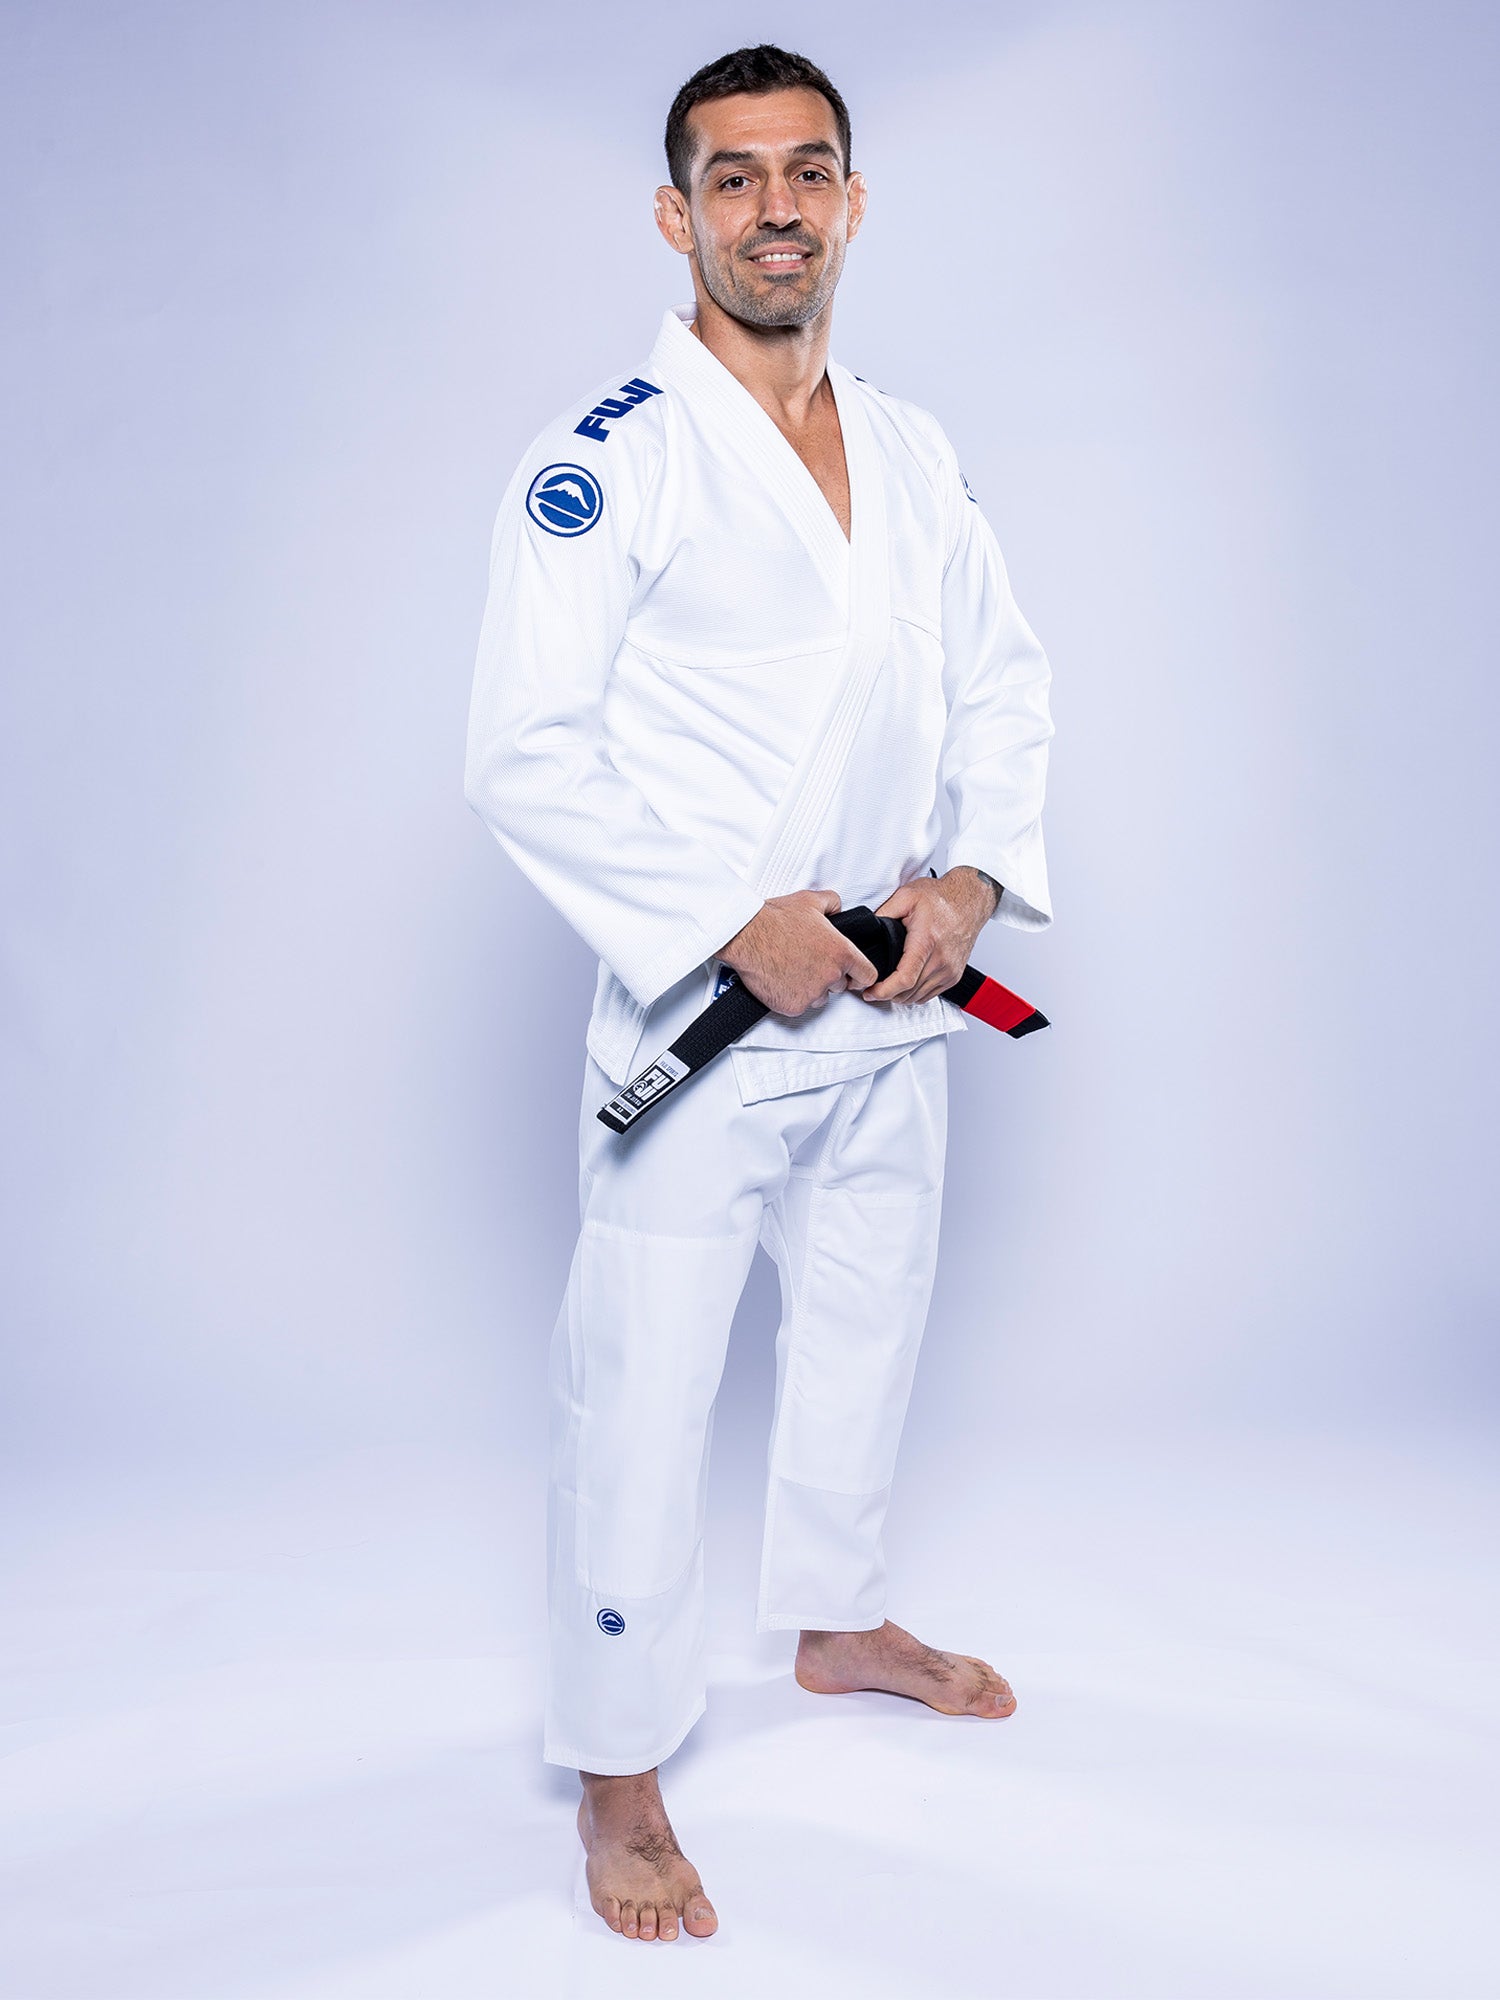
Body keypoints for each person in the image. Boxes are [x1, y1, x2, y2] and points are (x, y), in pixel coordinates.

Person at [464, 43, 1055, 1943]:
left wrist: (972, 876)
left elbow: (1006, 680)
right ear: (677, 215)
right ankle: (621, 1767)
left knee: (874, 1314)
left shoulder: (913, 443)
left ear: (855, 204)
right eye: (735, 178)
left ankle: (838, 1615)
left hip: (895, 990)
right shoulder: (608, 458)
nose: (776, 207)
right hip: (706, 1021)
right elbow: (523, 752)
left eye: (810, 172)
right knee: (641, 1389)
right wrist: (732, 919)